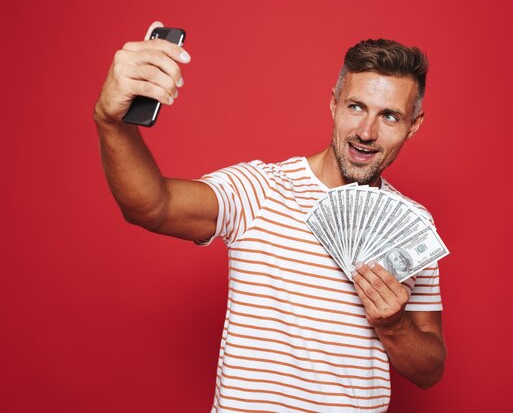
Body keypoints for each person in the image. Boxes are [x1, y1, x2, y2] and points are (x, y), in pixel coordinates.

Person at [94, 21, 446, 413]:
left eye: (390, 117)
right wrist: (111, 124)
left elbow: (430, 370)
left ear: (414, 125)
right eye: (356, 106)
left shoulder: (415, 227)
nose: (366, 131)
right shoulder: (259, 188)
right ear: (333, 103)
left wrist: (393, 326)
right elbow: (152, 206)